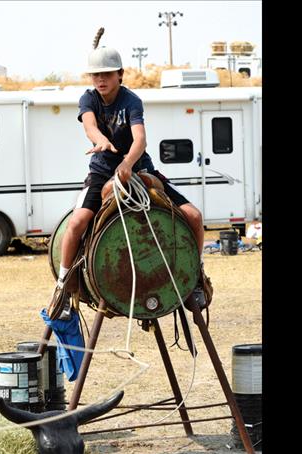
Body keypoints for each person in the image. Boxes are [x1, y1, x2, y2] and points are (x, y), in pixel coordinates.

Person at [49, 41, 211, 319]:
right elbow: (90, 126)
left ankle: (195, 276)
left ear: (120, 75)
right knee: (76, 223)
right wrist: (101, 141)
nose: (101, 79)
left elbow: (140, 139)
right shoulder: (88, 99)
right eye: (96, 75)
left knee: (193, 217)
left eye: (107, 74)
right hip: (101, 171)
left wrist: (127, 163)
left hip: (139, 168)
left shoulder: (131, 101)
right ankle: (63, 287)